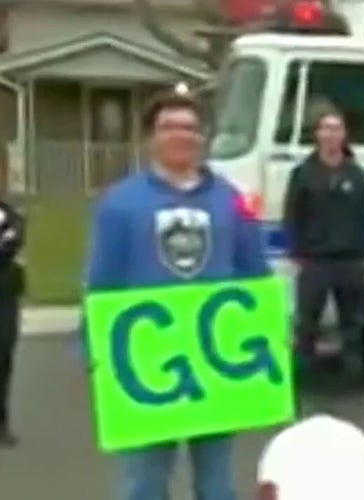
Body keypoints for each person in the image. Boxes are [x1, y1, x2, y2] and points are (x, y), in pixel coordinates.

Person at [82, 89, 270, 500]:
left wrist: (271, 335)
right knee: (144, 481)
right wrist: (93, 350)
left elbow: (255, 271)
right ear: (151, 138)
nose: (180, 136)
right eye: (169, 127)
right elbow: (101, 280)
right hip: (147, 359)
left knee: (217, 481)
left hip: (213, 362)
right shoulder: (120, 204)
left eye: (189, 128)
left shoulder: (231, 200)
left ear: (202, 138)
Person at [282, 105, 364, 379]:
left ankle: (353, 372)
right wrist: (297, 251)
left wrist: (363, 251)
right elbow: (292, 213)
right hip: (315, 260)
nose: (331, 134)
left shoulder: (357, 174)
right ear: (318, 135)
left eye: (337, 129)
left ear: (344, 135)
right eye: (326, 129)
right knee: (307, 321)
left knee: (353, 321)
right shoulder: (303, 173)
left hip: (350, 260)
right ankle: (302, 372)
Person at [0, 198, 24, 447]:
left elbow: (12, 243)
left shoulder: (8, 216)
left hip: (4, 296)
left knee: (3, 358)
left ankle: (1, 422)